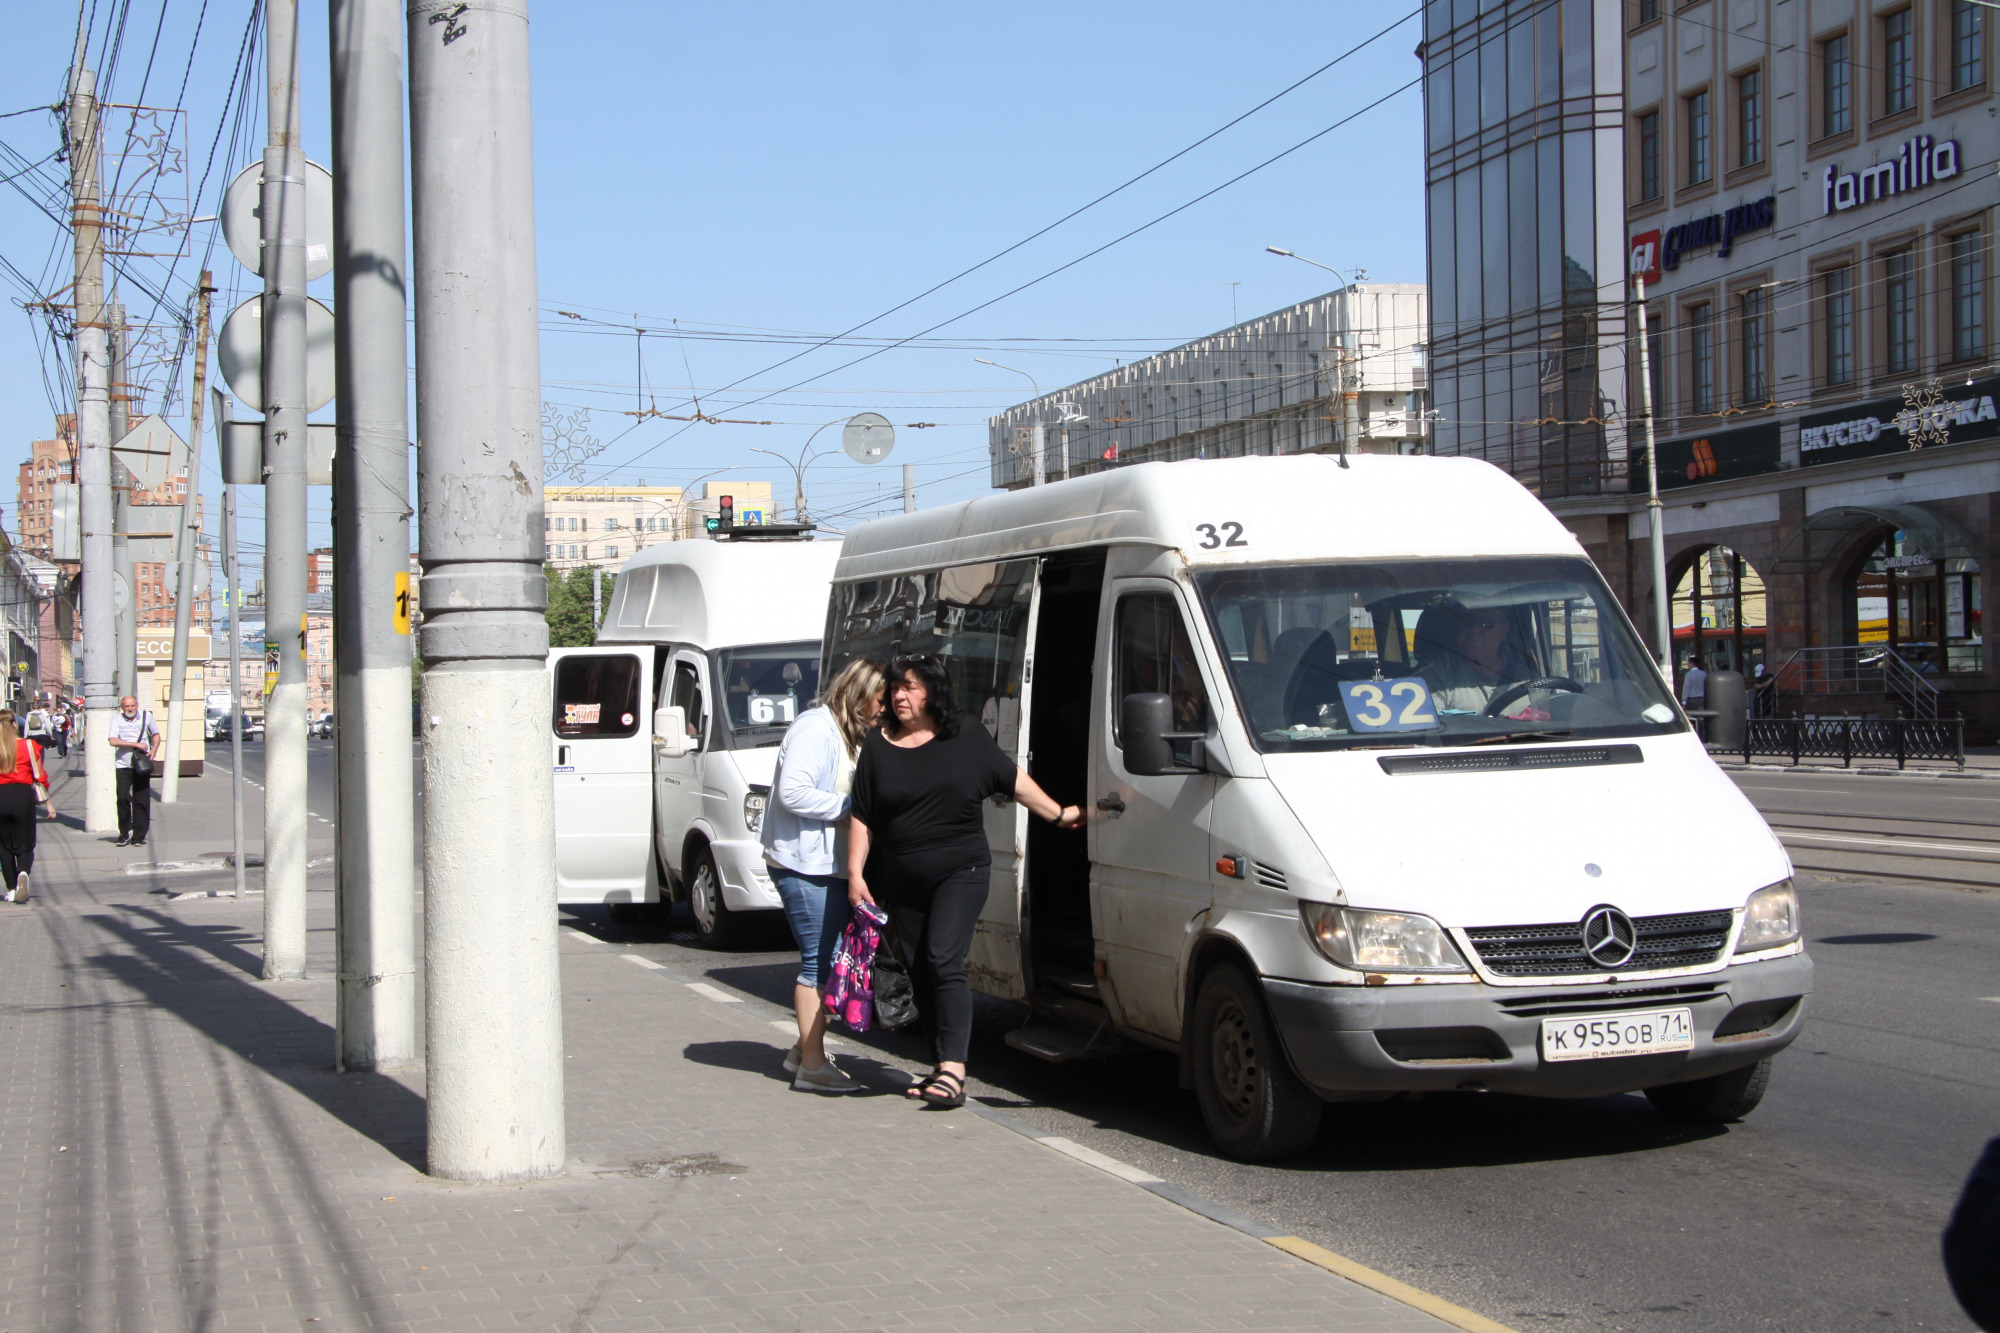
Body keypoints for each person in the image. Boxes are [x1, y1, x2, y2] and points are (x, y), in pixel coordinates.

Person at [847, 653, 1083, 1110]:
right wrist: (856, 873)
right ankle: (940, 1064)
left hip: (962, 871)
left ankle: (955, 1068)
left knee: (942, 957)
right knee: (919, 968)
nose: (899, 694)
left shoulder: (966, 733)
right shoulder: (878, 745)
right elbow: (862, 813)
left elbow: (1012, 780)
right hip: (904, 880)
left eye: (911, 686)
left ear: (933, 691)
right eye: (896, 686)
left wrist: (1058, 814)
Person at [761, 657, 886, 1095]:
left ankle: (804, 1049)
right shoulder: (816, 729)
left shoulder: (848, 733)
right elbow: (793, 792)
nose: (883, 710)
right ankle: (812, 1067)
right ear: (859, 695)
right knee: (818, 966)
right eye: (879, 700)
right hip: (804, 864)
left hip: (825, 865)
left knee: (833, 963)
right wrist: (852, 810)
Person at [0, 709, 50, 903]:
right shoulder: (30, 745)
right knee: (25, 843)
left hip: (1, 796)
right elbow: (40, 777)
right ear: (15, 724)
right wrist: (48, 803)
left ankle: (11, 888)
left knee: (4, 846)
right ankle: (23, 873)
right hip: (23, 796)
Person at [108, 695, 161, 847]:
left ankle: (138, 836)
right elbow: (113, 740)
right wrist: (135, 744)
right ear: (122, 707)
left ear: (137, 705)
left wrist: (154, 749)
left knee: (141, 799)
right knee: (123, 797)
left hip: (141, 764)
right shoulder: (117, 719)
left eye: (132, 706)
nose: (130, 709)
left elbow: (156, 734)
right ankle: (124, 833)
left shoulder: (147, 716)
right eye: (126, 706)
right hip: (123, 764)